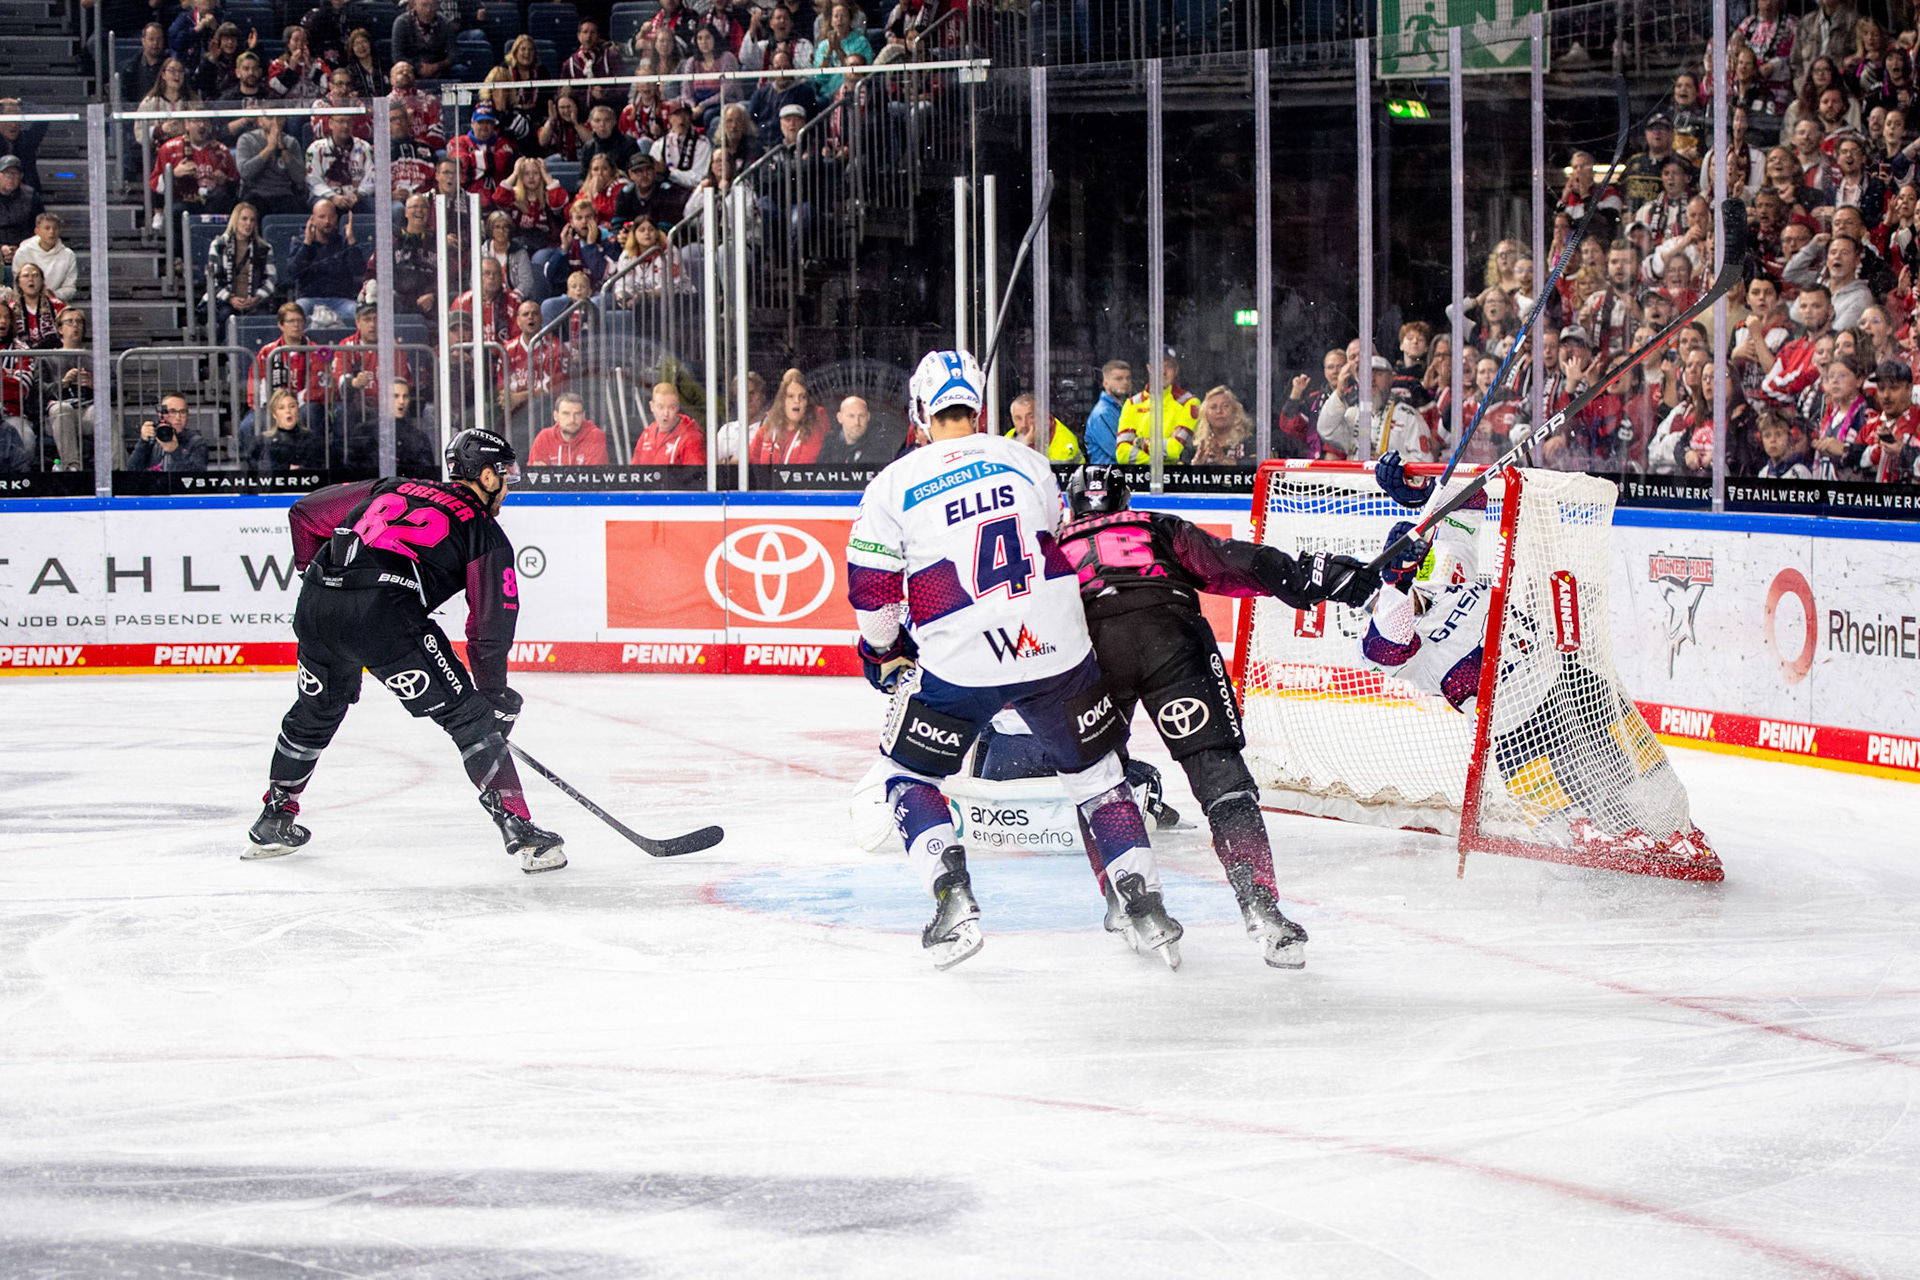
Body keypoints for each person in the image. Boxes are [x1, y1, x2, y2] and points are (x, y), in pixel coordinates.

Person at [844, 350, 1177, 971]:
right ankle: (1143, 901)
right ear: (980, 407)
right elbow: (1054, 535)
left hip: (963, 661)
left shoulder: (894, 482)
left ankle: (952, 896)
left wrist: (884, 651)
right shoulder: (1029, 462)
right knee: (1099, 777)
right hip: (1056, 648)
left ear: (920, 412)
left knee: (906, 776)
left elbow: (873, 591)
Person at [1051, 464, 1376, 967]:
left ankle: (1127, 902)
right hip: (1169, 639)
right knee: (1222, 778)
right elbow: (1231, 562)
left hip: (1093, 654)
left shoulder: (1051, 545)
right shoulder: (1153, 525)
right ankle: (1260, 906)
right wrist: (1316, 576)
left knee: (1100, 781)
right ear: (1124, 498)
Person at [245, 429, 565, 872]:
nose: (507, 488)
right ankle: (522, 830)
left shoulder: (392, 486)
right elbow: (490, 626)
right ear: (487, 477)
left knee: (316, 711)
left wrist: (323, 582)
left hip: (317, 605)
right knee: (468, 719)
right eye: (504, 476)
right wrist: (491, 697)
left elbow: (304, 513)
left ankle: (274, 818)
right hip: (385, 615)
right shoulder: (484, 533)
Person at [1317, 353, 1428, 460]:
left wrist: (1389, 463)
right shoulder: (1353, 414)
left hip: (1389, 479)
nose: (1372, 379)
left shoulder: (1408, 417)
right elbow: (1326, 430)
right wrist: (1339, 392)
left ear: (1391, 378)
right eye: (1367, 375)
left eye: (1378, 374)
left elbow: (1424, 461)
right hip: (1357, 479)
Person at [1114, 346, 1200, 464]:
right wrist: (1158, 465)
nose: (1163, 371)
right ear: (1149, 369)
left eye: (1168, 366)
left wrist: (1140, 442)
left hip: (1175, 480)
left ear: (1176, 370)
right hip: (1141, 479)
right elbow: (1122, 454)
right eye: (1158, 365)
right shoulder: (1132, 404)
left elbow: (1174, 450)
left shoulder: (1189, 403)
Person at [207, 200, 276, 337]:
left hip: (255, 302)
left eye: (252, 220)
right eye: (244, 219)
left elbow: (271, 280)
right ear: (235, 220)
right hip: (226, 302)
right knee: (224, 315)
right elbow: (211, 280)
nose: (248, 223)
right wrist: (230, 298)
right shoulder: (218, 245)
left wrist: (256, 298)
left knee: (263, 317)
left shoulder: (264, 248)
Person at [288, 198, 361, 322]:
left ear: (336, 218)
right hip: (309, 299)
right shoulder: (301, 242)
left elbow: (359, 270)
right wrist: (307, 244)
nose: (327, 221)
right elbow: (293, 272)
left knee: (358, 313)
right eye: (322, 217)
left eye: (331, 217)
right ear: (313, 219)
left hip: (341, 300)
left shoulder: (343, 242)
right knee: (297, 312)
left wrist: (351, 240)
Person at [149, 116, 238, 216]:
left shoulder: (221, 150)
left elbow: (234, 185)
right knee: (178, 210)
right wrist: (173, 174)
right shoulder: (169, 149)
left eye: (205, 121)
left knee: (221, 200)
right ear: (186, 124)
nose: (202, 125)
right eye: (196, 121)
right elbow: (155, 185)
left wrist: (224, 181)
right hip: (182, 201)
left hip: (213, 203)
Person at [39, 307, 91, 471]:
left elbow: (114, 389)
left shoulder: (94, 357)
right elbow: (39, 392)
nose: (75, 326)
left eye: (79, 322)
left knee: (104, 412)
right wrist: (63, 383)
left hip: (87, 410)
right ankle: (72, 468)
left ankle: (116, 470)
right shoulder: (47, 358)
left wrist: (93, 384)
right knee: (63, 408)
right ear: (60, 329)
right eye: (69, 322)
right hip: (57, 414)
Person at [235, 110, 308, 217]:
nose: (275, 123)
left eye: (279, 118)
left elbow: (300, 178)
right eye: (270, 118)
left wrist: (283, 150)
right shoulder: (247, 140)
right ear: (260, 121)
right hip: (256, 194)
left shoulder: (291, 142)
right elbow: (245, 172)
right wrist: (269, 149)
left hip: (283, 194)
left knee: (299, 208)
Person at [748, 367, 827, 463]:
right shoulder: (764, 432)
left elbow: (805, 467)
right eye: (791, 396)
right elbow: (749, 464)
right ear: (782, 401)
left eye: (802, 397)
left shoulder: (813, 433)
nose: (797, 401)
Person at [306, 112, 374, 212]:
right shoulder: (316, 149)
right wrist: (332, 197)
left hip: (358, 197)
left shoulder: (365, 147)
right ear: (330, 124)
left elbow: (372, 177)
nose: (346, 126)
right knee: (325, 207)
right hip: (325, 197)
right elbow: (313, 181)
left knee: (379, 208)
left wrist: (359, 194)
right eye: (341, 121)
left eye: (349, 122)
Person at [127, 392, 210, 470]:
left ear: (188, 415)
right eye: (172, 411)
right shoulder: (152, 437)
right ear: (161, 414)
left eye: (182, 412)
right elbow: (132, 470)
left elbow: (198, 475)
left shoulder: (196, 442)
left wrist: (175, 451)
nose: (178, 417)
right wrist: (143, 441)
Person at [630, 381, 706, 464]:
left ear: (678, 407)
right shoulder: (647, 435)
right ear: (652, 406)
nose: (665, 413)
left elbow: (695, 475)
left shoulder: (691, 438)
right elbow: (635, 472)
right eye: (660, 407)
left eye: (671, 407)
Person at [528, 391, 609, 466]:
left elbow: (593, 477)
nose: (572, 420)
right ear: (556, 416)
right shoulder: (544, 437)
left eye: (577, 414)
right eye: (566, 414)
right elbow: (534, 476)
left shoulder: (594, 436)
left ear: (583, 416)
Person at [817, 393, 903, 464]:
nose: (857, 422)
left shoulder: (880, 444)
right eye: (851, 416)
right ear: (839, 418)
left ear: (868, 417)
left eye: (861, 416)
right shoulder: (830, 442)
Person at [12, 212, 77, 302]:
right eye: (47, 228)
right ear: (37, 231)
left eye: (55, 228)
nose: (52, 232)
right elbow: (18, 285)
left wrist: (53, 295)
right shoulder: (23, 253)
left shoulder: (68, 255)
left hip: (56, 303)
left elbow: (70, 288)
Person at [1005, 391, 1082, 462]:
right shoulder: (1009, 437)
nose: (1023, 425)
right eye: (1018, 418)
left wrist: (1025, 445)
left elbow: (1043, 474)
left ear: (1043, 416)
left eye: (1031, 417)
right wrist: (1024, 443)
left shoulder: (1064, 442)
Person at [1082, 359, 1131, 464]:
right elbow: (1120, 451)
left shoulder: (1126, 408)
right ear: (1105, 383)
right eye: (1119, 379)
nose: (1125, 382)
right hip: (1106, 476)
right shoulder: (1102, 413)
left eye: (1128, 378)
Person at [390, 0, 452, 80]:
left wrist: (436, 67)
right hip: (411, 68)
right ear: (414, 5)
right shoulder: (402, 22)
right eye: (424, 5)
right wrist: (419, 67)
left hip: (439, 69)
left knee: (459, 69)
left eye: (433, 5)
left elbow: (454, 54)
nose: (428, 10)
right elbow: (397, 56)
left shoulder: (445, 23)